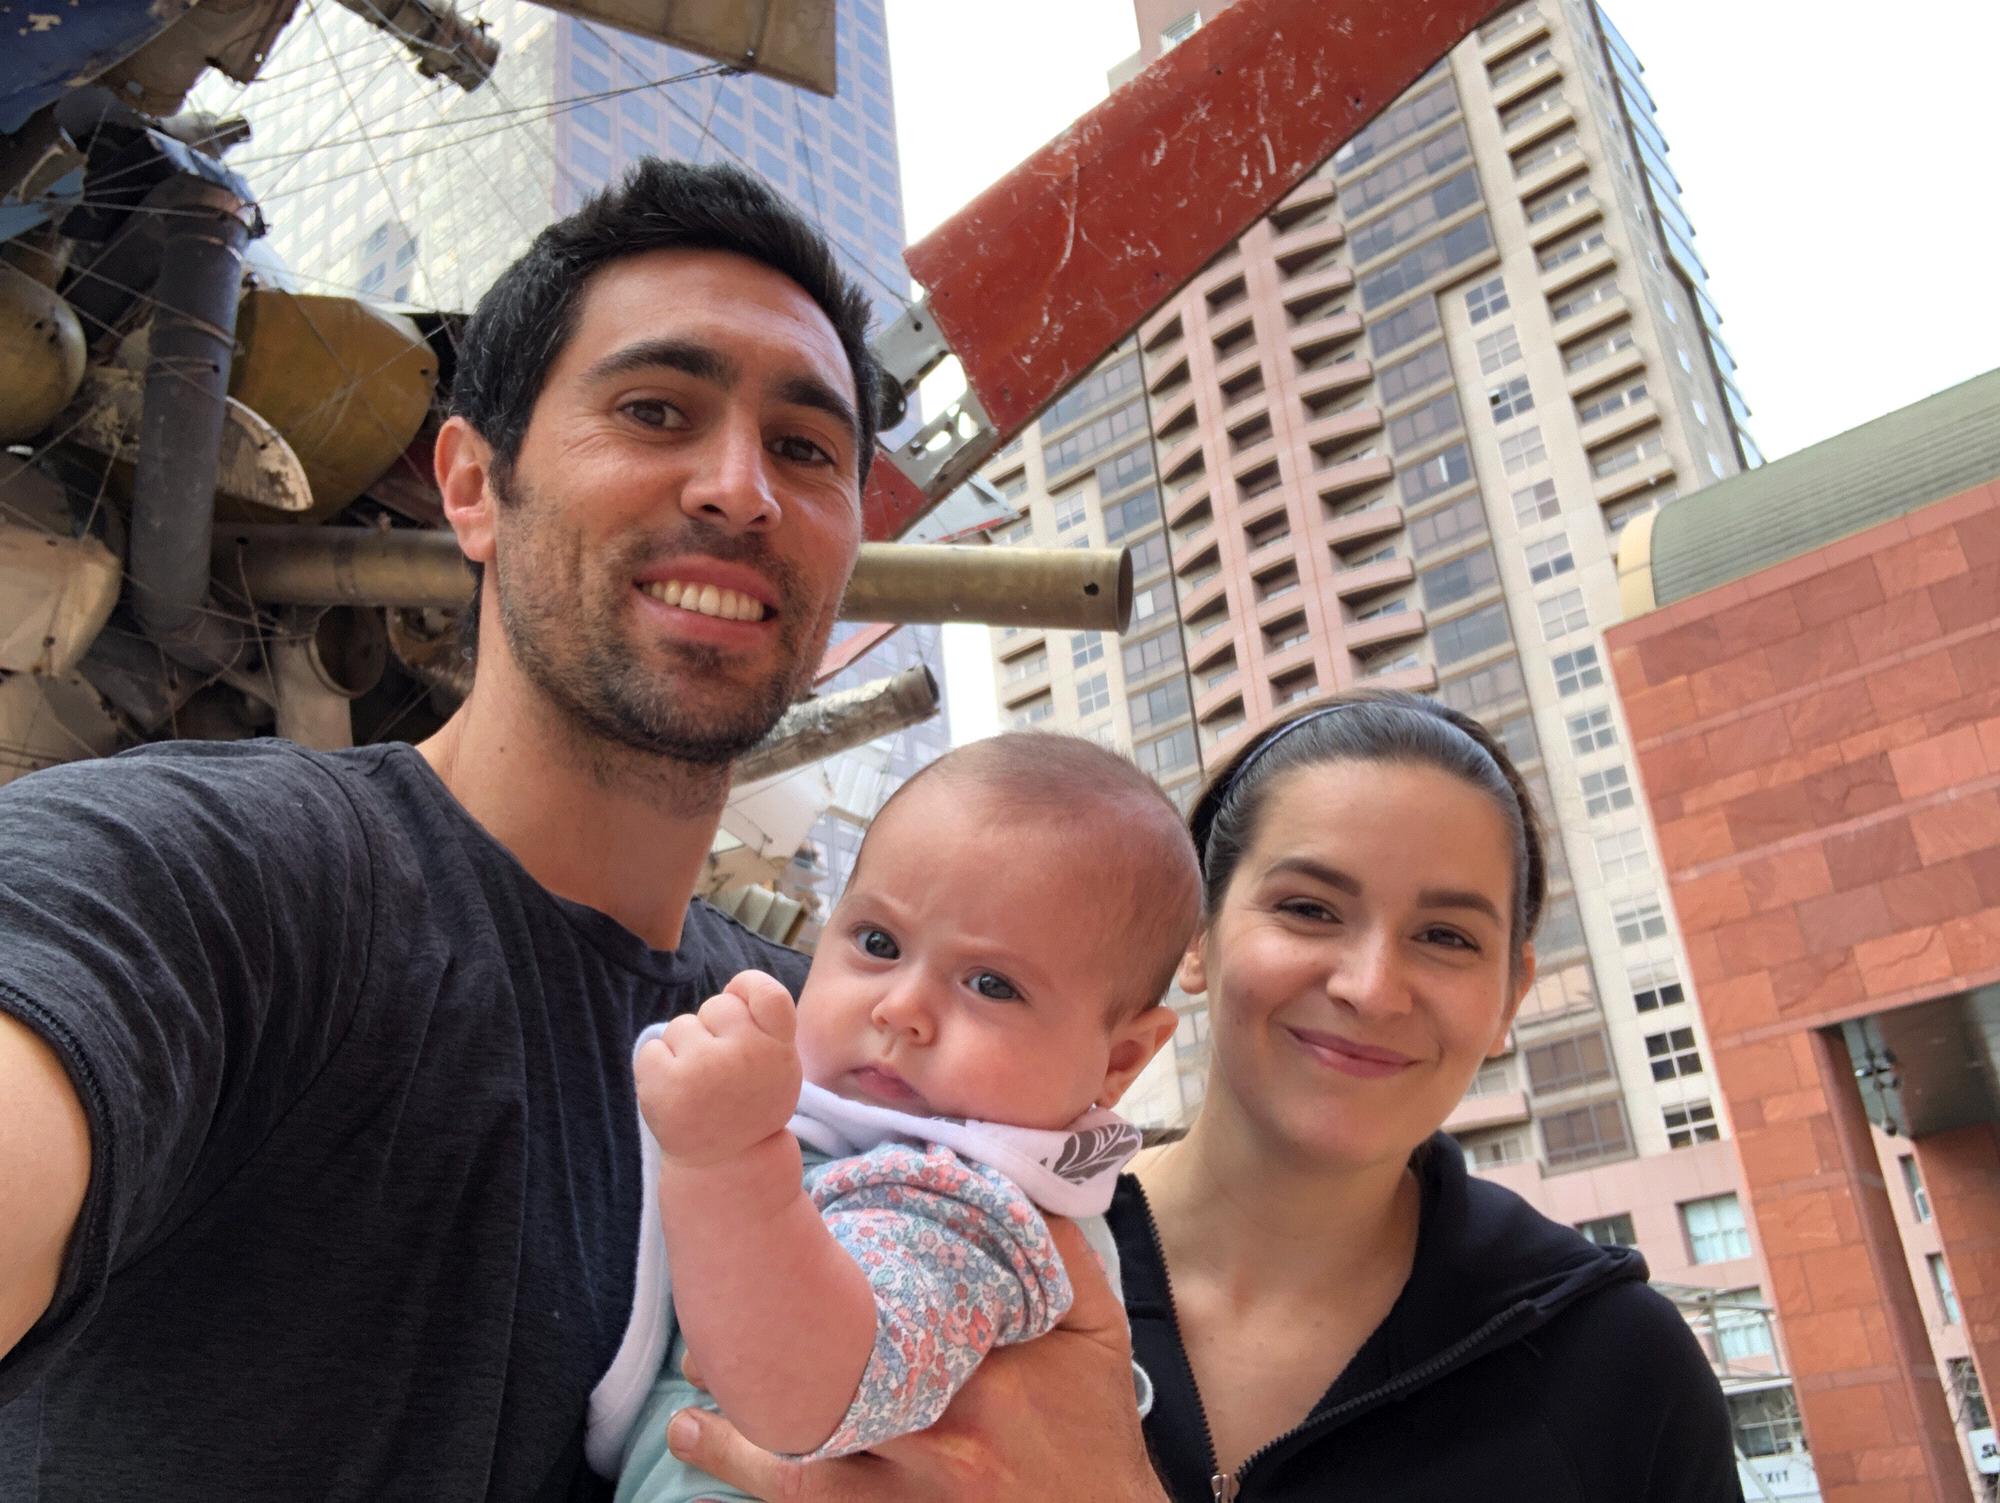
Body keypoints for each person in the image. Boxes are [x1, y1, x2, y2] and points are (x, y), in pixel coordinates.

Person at [0, 160, 1163, 1503]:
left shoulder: (881, 1069)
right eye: (655, 410)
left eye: (804, 449)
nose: (739, 489)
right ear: (472, 484)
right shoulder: (196, 880)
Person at [1103, 689, 1741, 1502]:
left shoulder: (1618, 1364)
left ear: (1510, 994)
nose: (1372, 988)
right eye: (1309, 908)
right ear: (1197, 931)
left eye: (1446, 936)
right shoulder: (987, 1261)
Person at [595, 733, 1196, 1502]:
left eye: (991, 984)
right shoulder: (838, 1124)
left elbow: (808, 1389)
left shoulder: (975, 1210)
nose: (902, 1006)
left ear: (1120, 1060)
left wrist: (727, 1160)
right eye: (878, 942)